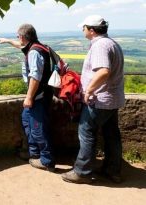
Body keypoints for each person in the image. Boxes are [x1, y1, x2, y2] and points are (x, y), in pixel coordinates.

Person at [62, 15, 125, 184]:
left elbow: (103, 71)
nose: (82, 30)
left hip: (100, 100)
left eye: (83, 27)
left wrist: (89, 90)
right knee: (111, 134)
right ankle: (113, 170)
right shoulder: (112, 43)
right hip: (112, 99)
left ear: (91, 30)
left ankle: (82, 172)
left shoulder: (100, 46)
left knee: (86, 133)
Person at [0, 24, 55, 172]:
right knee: (27, 121)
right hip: (40, 95)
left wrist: (29, 97)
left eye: (18, 36)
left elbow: (35, 76)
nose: (18, 39)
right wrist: (7, 41)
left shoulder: (34, 52)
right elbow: (19, 45)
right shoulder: (36, 46)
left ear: (23, 37)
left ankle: (47, 161)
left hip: (38, 97)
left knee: (38, 129)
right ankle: (33, 153)